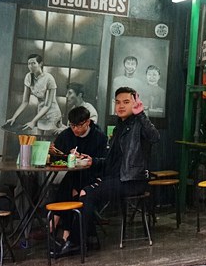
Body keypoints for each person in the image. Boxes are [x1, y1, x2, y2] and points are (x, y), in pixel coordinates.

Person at [52, 87, 159, 256]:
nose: (121, 106)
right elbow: (111, 160)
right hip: (117, 178)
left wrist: (141, 114)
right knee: (81, 189)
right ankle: (87, 239)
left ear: (135, 103)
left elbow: (154, 137)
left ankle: (76, 242)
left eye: (126, 102)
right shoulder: (119, 128)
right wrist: (92, 161)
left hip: (133, 181)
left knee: (87, 193)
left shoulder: (139, 123)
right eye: (118, 102)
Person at [48, 106, 108, 235]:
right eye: (72, 125)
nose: (75, 129)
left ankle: (54, 224)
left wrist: (88, 159)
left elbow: (104, 161)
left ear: (87, 122)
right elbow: (56, 155)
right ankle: (66, 233)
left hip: (93, 176)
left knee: (71, 186)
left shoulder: (99, 137)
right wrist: (54, 152)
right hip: (74, 176)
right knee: (71, 187)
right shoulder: (67, 134)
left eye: (79, 125)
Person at [5, 54, 63, 134]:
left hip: (52, 114)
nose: (30, 66)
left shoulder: (49, 78)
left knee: (47, 142)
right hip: (40, 113)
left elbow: (47, 105)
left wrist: (33, 121)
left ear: (40, 64)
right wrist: (14, 117)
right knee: (39, 142)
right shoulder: (28, 77)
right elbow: (25, 101)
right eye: (29, 64)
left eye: (33, 63)